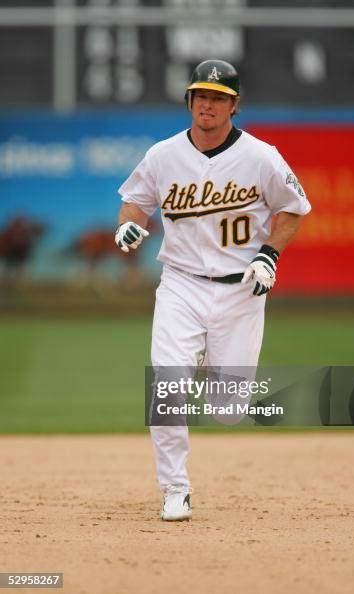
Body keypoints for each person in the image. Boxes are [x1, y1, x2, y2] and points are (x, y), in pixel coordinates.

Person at [115, 59, 311, 522]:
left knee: (227, 408)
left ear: (234, 105)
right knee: (167, 388)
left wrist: (269, 254)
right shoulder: (163, 155)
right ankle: (175, 488)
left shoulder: (261, 156)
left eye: (218, 97)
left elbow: (294, 208)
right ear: (189, 100)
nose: (208, 103)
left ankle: (205, 361)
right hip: (180, 285)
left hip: (240, 291)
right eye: (201, 95)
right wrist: (127, 228)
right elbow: (134, 204)